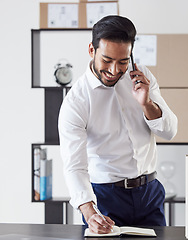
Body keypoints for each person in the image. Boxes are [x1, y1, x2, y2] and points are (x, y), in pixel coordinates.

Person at [58, 15, 178, 234]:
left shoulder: (141, 77)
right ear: (91, 51)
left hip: (149, 192)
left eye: (123, 61)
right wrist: (89, 212)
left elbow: (169, 131)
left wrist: (147, 103)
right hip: (106, 198)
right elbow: (74, 166)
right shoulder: (76, 101)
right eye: (107, 60)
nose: (114, 70)